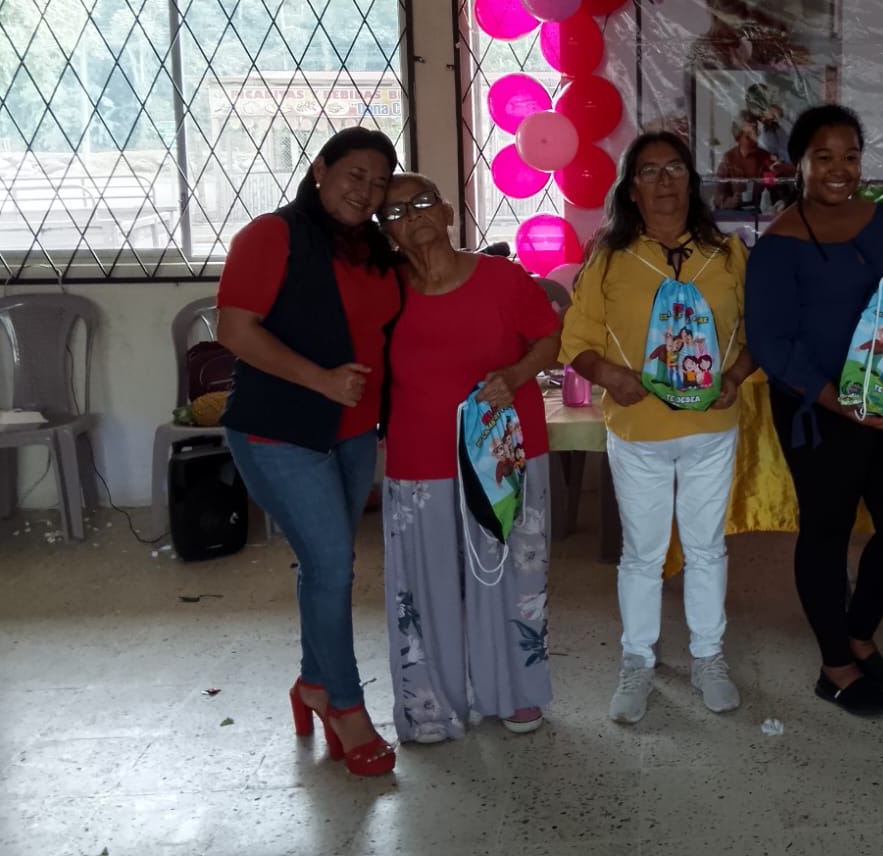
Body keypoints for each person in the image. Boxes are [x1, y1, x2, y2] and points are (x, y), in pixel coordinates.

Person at [216, 126, 402, 777]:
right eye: (355, 174)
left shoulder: (370, 247)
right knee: (331, 565)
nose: (366, 191)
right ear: (320, 169)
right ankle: (346, 706)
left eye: (379, 183)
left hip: (351, 431)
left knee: (328, 565)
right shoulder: (271, 235)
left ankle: (314, 685)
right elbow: (234, 330)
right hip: (278, 431)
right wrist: (320, 380)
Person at [745, 104, 883, 719]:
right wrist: (843, 404)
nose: (839, 169)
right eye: (823, 157)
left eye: (850, 156)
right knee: (826, 532)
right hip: (819, 410)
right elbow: (771, 345)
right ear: (798, 164)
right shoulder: (777, 246)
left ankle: (858, 633)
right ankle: (835, 667)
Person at [559, 132, 756, 724]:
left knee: (706, 547)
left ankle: (708, 656)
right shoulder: (609, 258)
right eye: (649, 171)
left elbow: (759, 332)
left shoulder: (728, 254)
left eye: (675, 168)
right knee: (643, 554)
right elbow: (576, 340)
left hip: (710, 429)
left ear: (691, 181)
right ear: (631, 189)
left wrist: (737, 375)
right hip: (639, 431)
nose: (664, 180)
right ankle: (638, 660)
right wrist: (609, 375)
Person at [378, 174, 561, 743]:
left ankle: (515, 692)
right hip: (419, 454)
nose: (413, 216)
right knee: (423, 582)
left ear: (449, 211)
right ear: (384, 232)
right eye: (395, 212)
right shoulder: (384, 293)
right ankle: (431, 706)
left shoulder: (503, 278)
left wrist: (515, 374)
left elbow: (549, 339)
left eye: (423, 202)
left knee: (511, 573)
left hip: (504, 450)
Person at [715, 111, 782, 209]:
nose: (754, 141)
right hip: (736, 215)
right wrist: (731, 201)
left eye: (755, 135)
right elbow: (719, 196)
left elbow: (774, 189)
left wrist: (778, 202)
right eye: (748, 137)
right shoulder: (729, 159)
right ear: (738, 137)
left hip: (762, 213)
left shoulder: (765, 158)